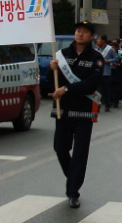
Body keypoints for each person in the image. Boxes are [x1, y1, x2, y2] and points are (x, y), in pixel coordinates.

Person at [50, 21, 104, 208]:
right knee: (60, 148)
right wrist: (53, 71)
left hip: (84, 112)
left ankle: (73, 192)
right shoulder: (62, 55)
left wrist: (67, 88)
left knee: (80, 153)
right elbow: (52, 83)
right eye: (78, 30)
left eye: (85, 31)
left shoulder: (96, 57)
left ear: (91, 37)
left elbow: (91, 84)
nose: (80, 34)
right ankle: (73, 177)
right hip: (63, 109)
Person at [96, 35, 117, 112]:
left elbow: (116, 58)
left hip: (106, 73)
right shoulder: (96, 50)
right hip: (98, 73)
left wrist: (108, 61)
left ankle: (107, 104)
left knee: (106, 90)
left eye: (99, 39)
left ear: (103, 40)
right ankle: (97, 106)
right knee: (98, 91)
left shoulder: (110, 49)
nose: (97, 41)